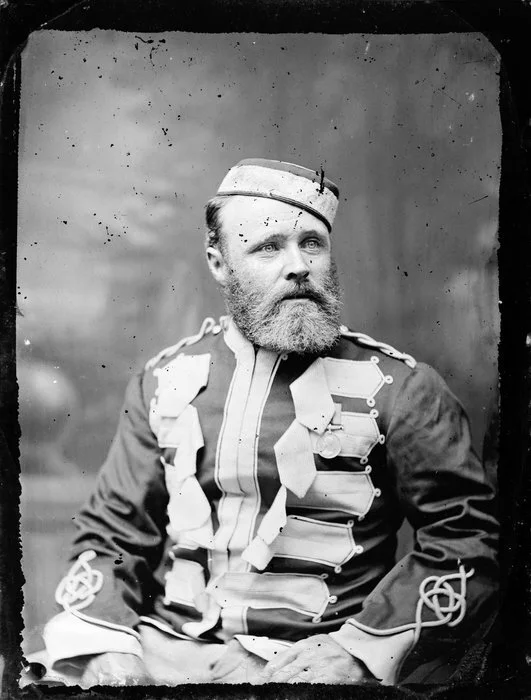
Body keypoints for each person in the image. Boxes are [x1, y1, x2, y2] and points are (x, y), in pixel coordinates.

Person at [26, 158, 498, 687]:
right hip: (165, 659)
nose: (297, 265)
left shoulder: (405, 388)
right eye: (268, 247)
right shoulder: (164, 381)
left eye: (311, 243)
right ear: (219, 263)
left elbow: (466, 543)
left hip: (316, 668)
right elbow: (113, 535)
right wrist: (109, 648)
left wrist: (360, 651)